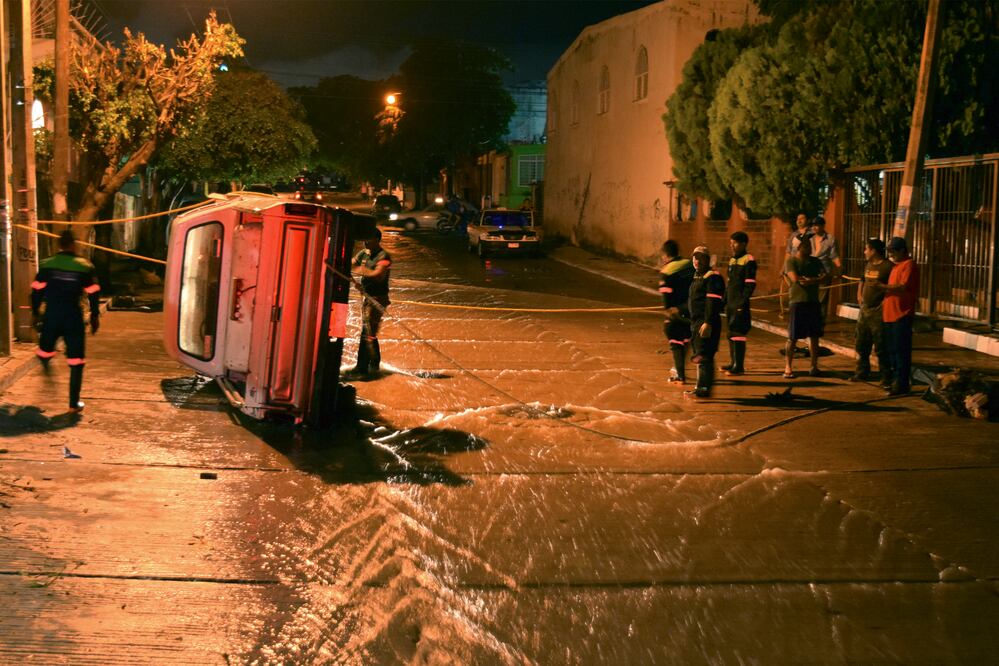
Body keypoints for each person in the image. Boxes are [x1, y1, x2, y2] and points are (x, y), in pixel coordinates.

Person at [31, 230, 101, 412]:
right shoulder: (84, 266)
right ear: (73, 245)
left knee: (45, 350)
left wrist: (35, 312)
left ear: (60, 245)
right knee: (76, 360)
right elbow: (93, 291)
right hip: (72, 316)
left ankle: (46, 363)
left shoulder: (47, 264)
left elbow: (37, 289)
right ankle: (73, 403)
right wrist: (94, 316)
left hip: (52, 315)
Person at [346, 228, 391, 379]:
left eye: (369, 239)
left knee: (367, 333)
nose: (366, 241)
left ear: (377, 240)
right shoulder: (364, 253)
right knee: (369, 332)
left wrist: (360, 270)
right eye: (365, 239)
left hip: (378, 299)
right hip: (367, 297)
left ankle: (362, 368)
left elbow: (377, 274)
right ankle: (374, 364)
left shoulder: (384, 256)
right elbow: (351, 263)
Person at [879, 236, 920, 395]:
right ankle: (895, 379)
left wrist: (882, 287)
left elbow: (902, 287)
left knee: (900, 350)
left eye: (893, 251)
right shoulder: (895, 266)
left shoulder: (908, 265)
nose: (891, 254)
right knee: (891, 350)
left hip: (901, 314)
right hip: (889, 314)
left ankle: (901, 382)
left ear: (902, 250)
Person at [783, 234, 826, 378]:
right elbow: (795, 278)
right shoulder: (791, 261)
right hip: (798, 301)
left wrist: (813, 280)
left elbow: (825, 276)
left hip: (813, 301)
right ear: (798, 246)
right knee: (793, 337)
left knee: (814, 336)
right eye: (805, 244)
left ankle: (814, 366)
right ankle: (788, 366)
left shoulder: (815, 261)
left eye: (809, 244)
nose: (808, 246)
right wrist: (814, 280)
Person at [850, 238, 893, 382]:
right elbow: (862, 279)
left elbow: (892, 287)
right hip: (865, 309)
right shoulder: (868, 264)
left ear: (873, 251)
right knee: (861, 343)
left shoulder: (888, 267)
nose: (864, 252)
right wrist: (859, 295)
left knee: (881, 345)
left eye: (866, 249)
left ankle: (886, 375)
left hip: (878, 311)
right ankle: (862, 372)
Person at [687, 246, 725, 398]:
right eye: (695, 257)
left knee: (704, 355)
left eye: (700, 257)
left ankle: (703, 388)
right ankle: (700, 386)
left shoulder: (712, 277)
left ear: (707, 260)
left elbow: (712, 302)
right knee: (701, 354)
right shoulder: (698, 276)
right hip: (697, 322)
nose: (697, 260)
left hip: (706, 322)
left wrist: (708, 322)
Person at [657, 240, 695, 384]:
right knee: (686, 340)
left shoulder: (666, 272)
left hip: (677, 311)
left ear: (665, 255)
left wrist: (669, 311)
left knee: (674, 338)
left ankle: (680, 375)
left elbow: (667, 297)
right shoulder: (690, 264)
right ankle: (678, 368)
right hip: (693, 309)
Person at [722, 231, 756, 375]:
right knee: (731, 333)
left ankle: (739, 366)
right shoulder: (732, 260)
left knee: (738, 333)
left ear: (743, 244)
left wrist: (742, 302)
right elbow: (729, 283)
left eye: (735, 243)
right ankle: (732, 362)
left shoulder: (749, 260)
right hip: (730, 302)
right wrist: (723, 300)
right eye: (731, 243)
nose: (732, 246)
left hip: (739, 303)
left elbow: (750, 284)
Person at [809, 216, 842, 322]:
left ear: (823, 226)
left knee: (822, 300)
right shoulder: (809, 239)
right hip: (811, 272)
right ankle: (811, 321)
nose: (814, 227)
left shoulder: (830, 238)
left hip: (824, 273)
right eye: (813, 225)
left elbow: (834, 255)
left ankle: (820, 322)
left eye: (817, 225)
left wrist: (839, 267)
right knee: (810, 299)